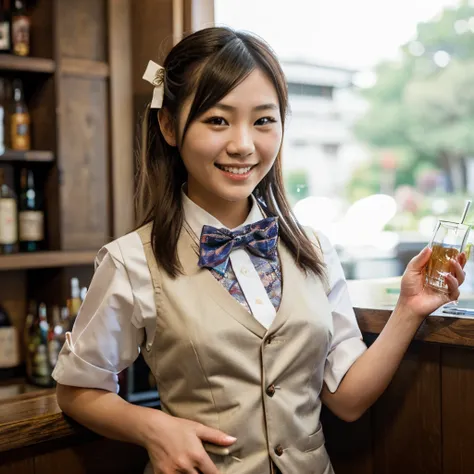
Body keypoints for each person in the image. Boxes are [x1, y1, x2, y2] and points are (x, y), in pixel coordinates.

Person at [53, 26, 466, 474]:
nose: (243, 144)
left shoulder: (315, 250)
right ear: (169, 125)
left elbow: (347, 400)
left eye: (264, 120)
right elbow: (77, 390)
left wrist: (409, 308)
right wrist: (153, 427)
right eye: (217, 120)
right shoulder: (130, 261)